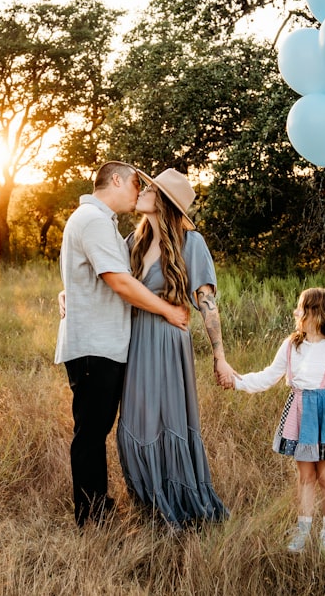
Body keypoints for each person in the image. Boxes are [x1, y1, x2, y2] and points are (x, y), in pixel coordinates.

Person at [55, 161, 191, 528]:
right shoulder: (94, 220)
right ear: (115, 180)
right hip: (95, 348)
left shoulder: (100, 222)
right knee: (90, 434)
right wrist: (169, 312)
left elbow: (87, 273)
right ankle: (92, 517)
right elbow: (119, 282)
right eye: (134, 182)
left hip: (101, 345)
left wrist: (70, 291)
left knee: (94, 431)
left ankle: (98, 509)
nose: (138, 191)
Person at [116, 168, 235, 529]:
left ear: (163, 201)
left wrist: (219, 356)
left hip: (168, 341)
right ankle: (150, 501)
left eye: (150, 188)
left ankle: (179, 500)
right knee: (133, 424)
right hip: (135, 339)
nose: (142, 190)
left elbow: (207, 302)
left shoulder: (190, 243)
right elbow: (105, 276)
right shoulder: (132, 242)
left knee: (168, 420)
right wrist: (65, 294)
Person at [219, 287, 325, 552]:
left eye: (302, 308)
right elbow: (268, 376)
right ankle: (303, 528)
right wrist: (237, 382)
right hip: (301, 414)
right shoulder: (292, 345)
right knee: (305, 476)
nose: (297, 312)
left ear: (319, 314)